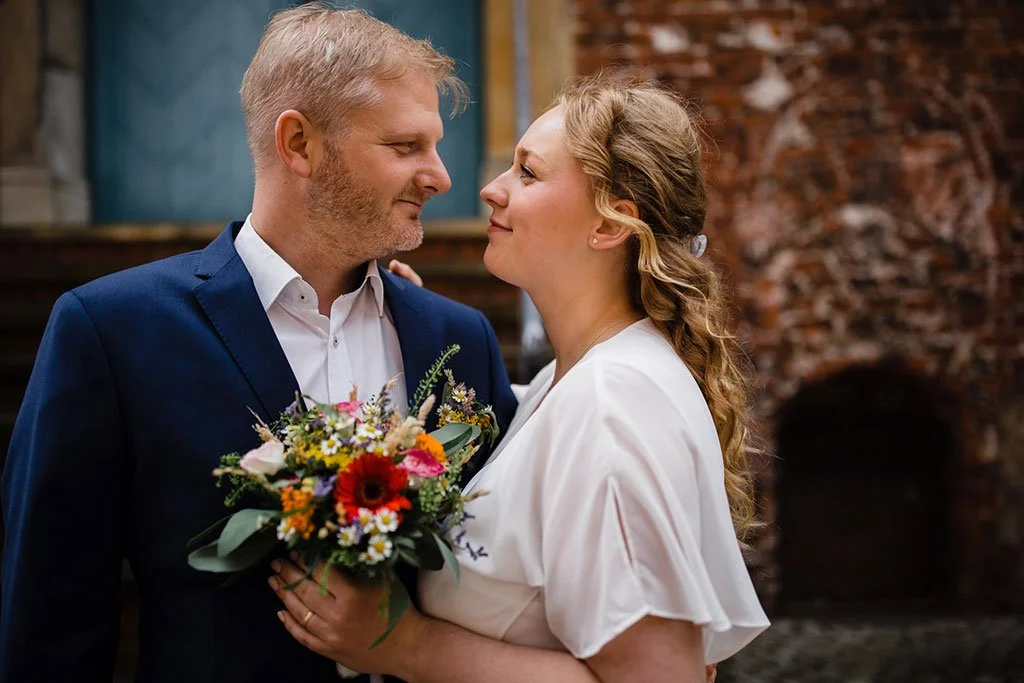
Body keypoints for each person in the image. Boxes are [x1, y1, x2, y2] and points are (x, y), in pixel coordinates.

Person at [0, 6, 518, 683]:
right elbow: (50, 623)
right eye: (404, 146)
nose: (441, 176)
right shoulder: (112, 332)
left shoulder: (459, 340)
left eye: (436, 144)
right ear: (299, 144)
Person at [268, 74, 771, 682]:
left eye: (528, 173)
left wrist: (404, 646)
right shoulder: (571, 380)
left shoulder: (612, 404)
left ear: (610, 226)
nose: (490, 189)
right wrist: (397, 332)